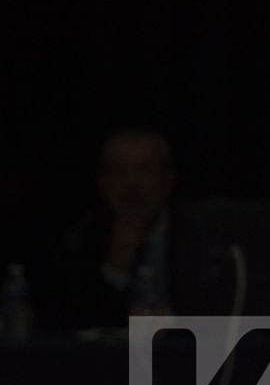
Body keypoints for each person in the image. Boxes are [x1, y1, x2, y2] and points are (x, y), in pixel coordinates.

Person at [44, 127, 184, 331]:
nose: (131, 184)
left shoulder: (201, 235)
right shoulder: (80, 239)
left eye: (144, 171)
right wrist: (115, 268)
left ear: (168, 180)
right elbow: (73, 324)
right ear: (103, 183)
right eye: (119, 171)